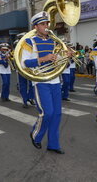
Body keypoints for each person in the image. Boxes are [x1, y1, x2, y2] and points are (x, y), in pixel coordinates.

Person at [22, 11, 72, 154]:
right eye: (43, 24)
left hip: (55, 81)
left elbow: (62, 64)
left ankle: (53, 144)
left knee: (57, 114)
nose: (46, 26)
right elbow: (24, 63)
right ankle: (36, 135)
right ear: (35, 26)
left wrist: (66, 56)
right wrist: (43, 59)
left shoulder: (54, 41)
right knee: (47, 113)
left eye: (47, 23)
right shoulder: (29, 42)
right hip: (40, 81)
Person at [15, 34, 35, 108]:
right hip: (21, 69)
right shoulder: (17, 47)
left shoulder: (30, 45)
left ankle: (30, 98)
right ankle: (24, 100)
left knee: (32, 84)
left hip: (30, 68)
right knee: (23, 85)